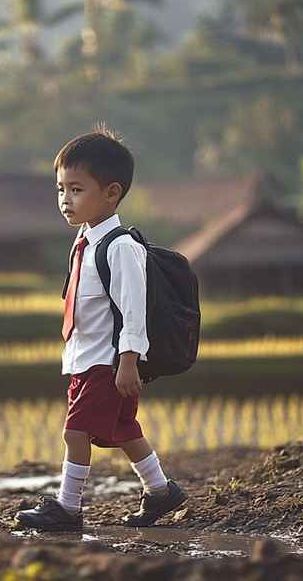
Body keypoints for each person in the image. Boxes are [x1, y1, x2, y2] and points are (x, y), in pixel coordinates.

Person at [14, 125, 187, 531]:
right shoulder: (84, 242)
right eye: (60, 189)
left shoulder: (120, 247)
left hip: (106, 363)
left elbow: (133, 310)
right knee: (123, 429)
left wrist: (129, 361)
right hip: (85, 358)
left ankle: (68, 508)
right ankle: (161, 492)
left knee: (75, 431)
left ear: (111, 193)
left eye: (76, 190)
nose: (65, 199)